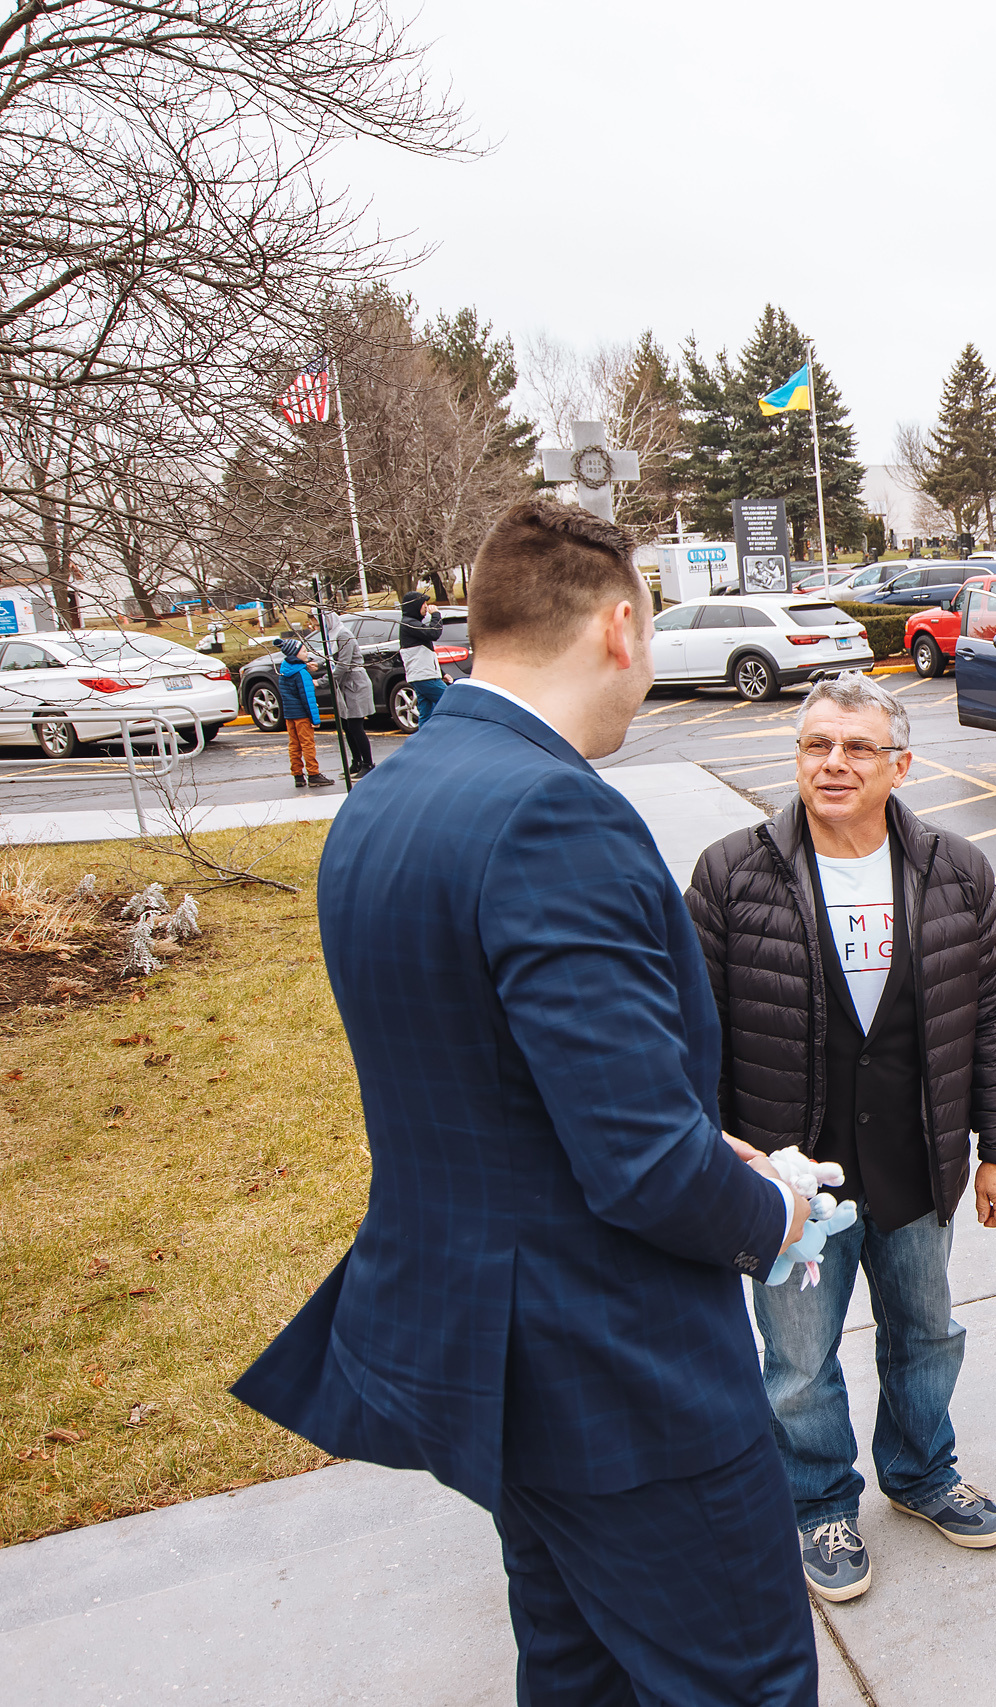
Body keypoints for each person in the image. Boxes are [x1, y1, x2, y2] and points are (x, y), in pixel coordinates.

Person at [233, 498, 823, 1707]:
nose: (647, 671)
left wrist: (670, 1127)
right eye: (650, 641)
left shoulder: (389, 798)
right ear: (618, 627)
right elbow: (645, 1169)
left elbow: (485, 1069)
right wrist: (774, 1214)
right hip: (613, 1372)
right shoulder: (556, 816)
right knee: (743, 1683)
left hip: (492, 1360)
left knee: (579, 1670)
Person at [686, 671, 996, 1604]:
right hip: (791, 1182)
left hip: (917, 1161)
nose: (832, 764)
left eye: (856, 748)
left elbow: (993, 1018)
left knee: (926, 1332)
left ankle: (921, 1472)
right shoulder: (731, 871)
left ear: (900, 764)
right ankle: (818, 1504)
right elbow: (693, 1027)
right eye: (815, 746)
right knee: (797, 1360)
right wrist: (717, 1154)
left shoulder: (957, 869)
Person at [315, 606, 374, 775]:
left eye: (318, 621)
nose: (317, 626)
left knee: (356, 726)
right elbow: (334, 659)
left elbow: (343, 665)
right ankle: (356, 762)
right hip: (346, 686)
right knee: (347, 726)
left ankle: (368, 764)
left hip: (355, 685)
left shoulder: (344, 635)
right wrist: (318, 665)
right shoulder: (333, 636)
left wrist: (322, 682)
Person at [274, 636, 328, 790]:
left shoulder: (285, 669)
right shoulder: (302, 674)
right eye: (304, 651)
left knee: (294, 745)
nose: (306, 654)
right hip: (302, 715)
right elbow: (308, 698)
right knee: (308, 744)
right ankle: (313, 774)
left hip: (289, 715)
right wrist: (315, 719)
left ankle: (298, 775)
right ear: (295, 654)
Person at [397, 590, 447, 725]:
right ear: (415, 606)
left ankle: (424, 742)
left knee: (426, 713)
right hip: (424, 677)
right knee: (450, 702)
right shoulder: (409, 624)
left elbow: (425, 653)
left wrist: (442, 673)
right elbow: (434, 633)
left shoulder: (413, 624)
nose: (426, 606)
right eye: (423, 603)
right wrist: (436, 615)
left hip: (422, 676)